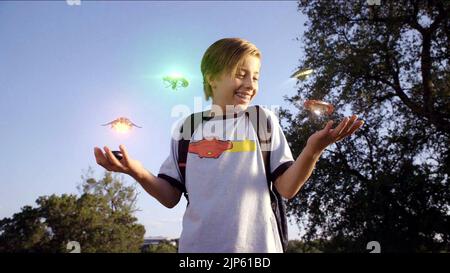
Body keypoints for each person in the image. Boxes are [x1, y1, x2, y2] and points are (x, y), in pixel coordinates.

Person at [94, 38, 364, 253]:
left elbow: (287, 188)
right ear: (212, 78)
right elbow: (170, 196)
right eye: (240, 74)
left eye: (255, 77)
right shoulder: (188, 127)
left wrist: (313, 149)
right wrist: (136, 171)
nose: (249, 84)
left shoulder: (261, 120)